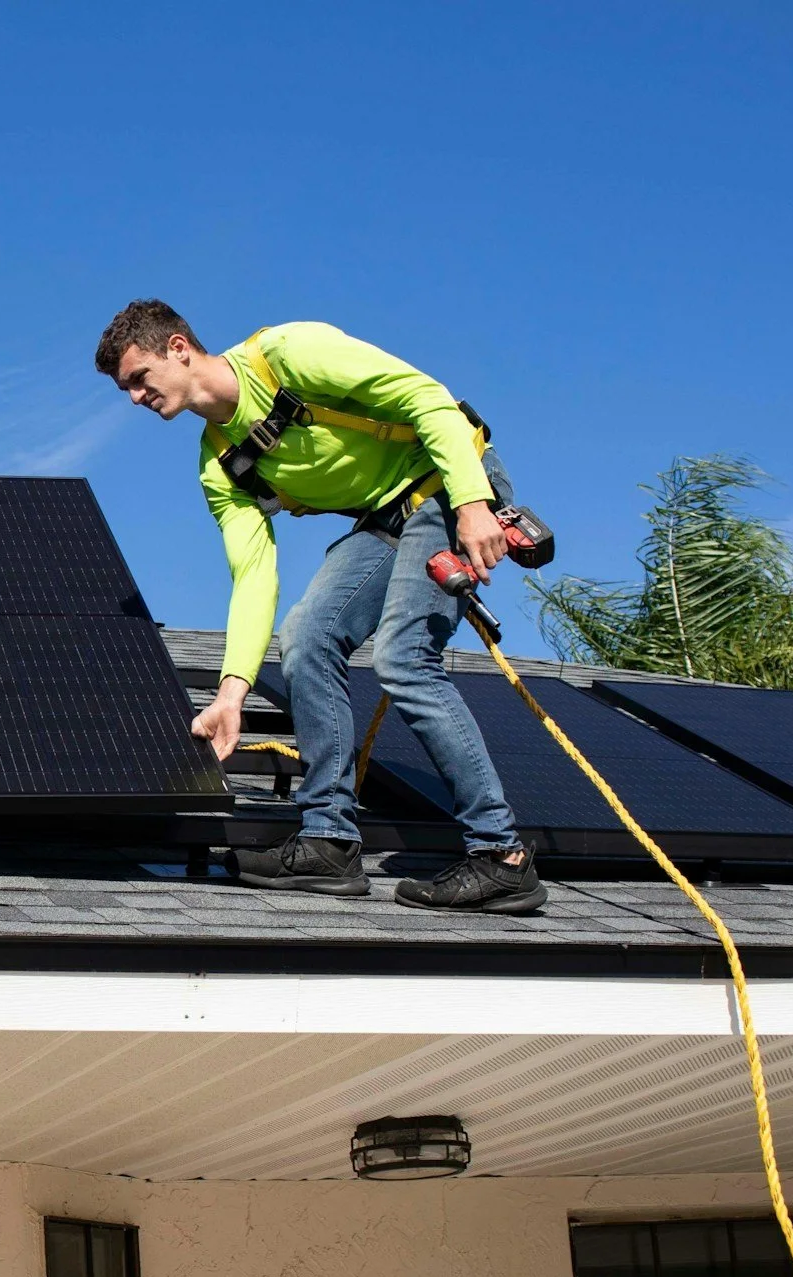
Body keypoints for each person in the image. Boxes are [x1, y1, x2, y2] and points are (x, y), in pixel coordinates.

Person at [94, 301, 546, 913]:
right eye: (126, 389)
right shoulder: (221, 464)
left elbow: (430, 400)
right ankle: (329, 840)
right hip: (385, 520)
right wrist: (231, 694)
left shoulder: (287, 354)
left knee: (403, 658)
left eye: (138, 379)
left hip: (445, 481)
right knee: (306, 638)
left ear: (178, 348)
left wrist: (472, 503)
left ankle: (501, 854)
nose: (134, 398)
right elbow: (254, 575)